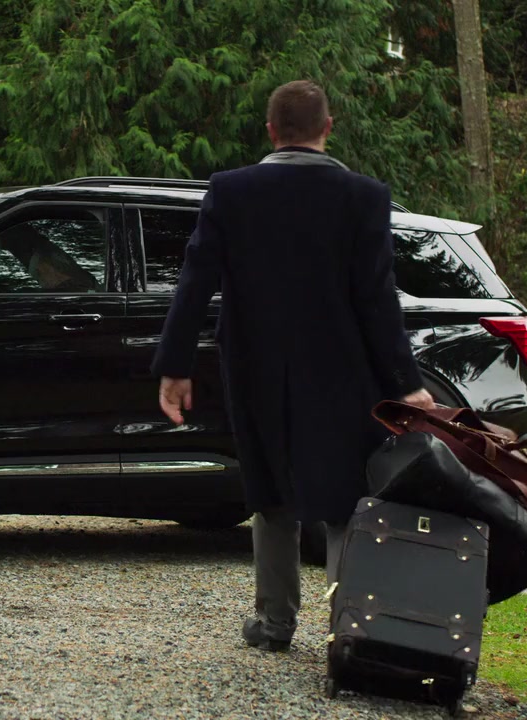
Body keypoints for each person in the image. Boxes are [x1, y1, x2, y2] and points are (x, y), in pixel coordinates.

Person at [150, 80, 435, 652]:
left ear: (271, 130)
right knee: (345, 498)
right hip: (344, 373)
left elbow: (195, 280)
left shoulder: (231, 191)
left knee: (270, 491)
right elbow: (377, 300)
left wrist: (175, 367)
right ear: (328, 128)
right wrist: (406, 384)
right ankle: (350, 630)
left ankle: (274, 622)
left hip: (256, 370)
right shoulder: (364, 197)